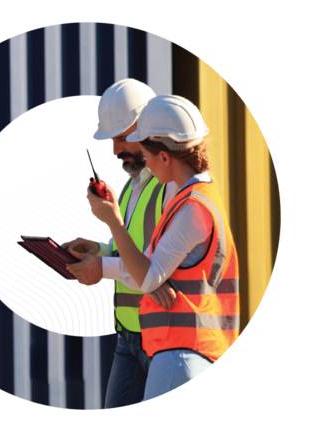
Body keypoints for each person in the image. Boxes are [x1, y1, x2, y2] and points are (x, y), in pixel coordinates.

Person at [83, 95, 240, 403]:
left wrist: (113, 221)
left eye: (149, 155)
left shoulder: (191, 209)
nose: (147, 164)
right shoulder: (193, 197)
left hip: (182, 354)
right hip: (182, 350)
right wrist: (103, 250)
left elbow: (150, 277)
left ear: (166, 158)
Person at [60, 78, 180, 409]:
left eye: (123, 136)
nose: (115, 149)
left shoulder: (171, 187)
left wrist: (103, 267)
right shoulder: (130, 188)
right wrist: (97, 250)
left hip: (161, 335)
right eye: (113, 139)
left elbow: (157, 267)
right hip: (130, 336)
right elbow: (131, 250)